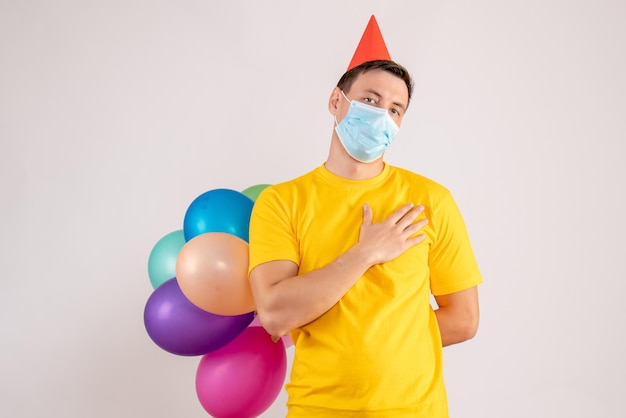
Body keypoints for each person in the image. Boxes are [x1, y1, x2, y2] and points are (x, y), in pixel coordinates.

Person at [248, 59, 482, 418]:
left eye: (395, 109)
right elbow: (275, 314)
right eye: (370, 101)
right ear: (336, 101)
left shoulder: (431, 200)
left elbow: (463, 319)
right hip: (318, 408)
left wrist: (380, 341)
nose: (381, 116)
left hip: (416, 410)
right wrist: (366, 253)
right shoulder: (281, 202)